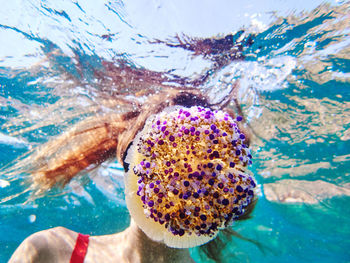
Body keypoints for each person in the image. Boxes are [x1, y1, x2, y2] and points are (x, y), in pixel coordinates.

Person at [8, 33, 258, 263]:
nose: (188, 175)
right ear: (128, 159)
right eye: (167, 157)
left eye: (209, 168)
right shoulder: (49, 251)